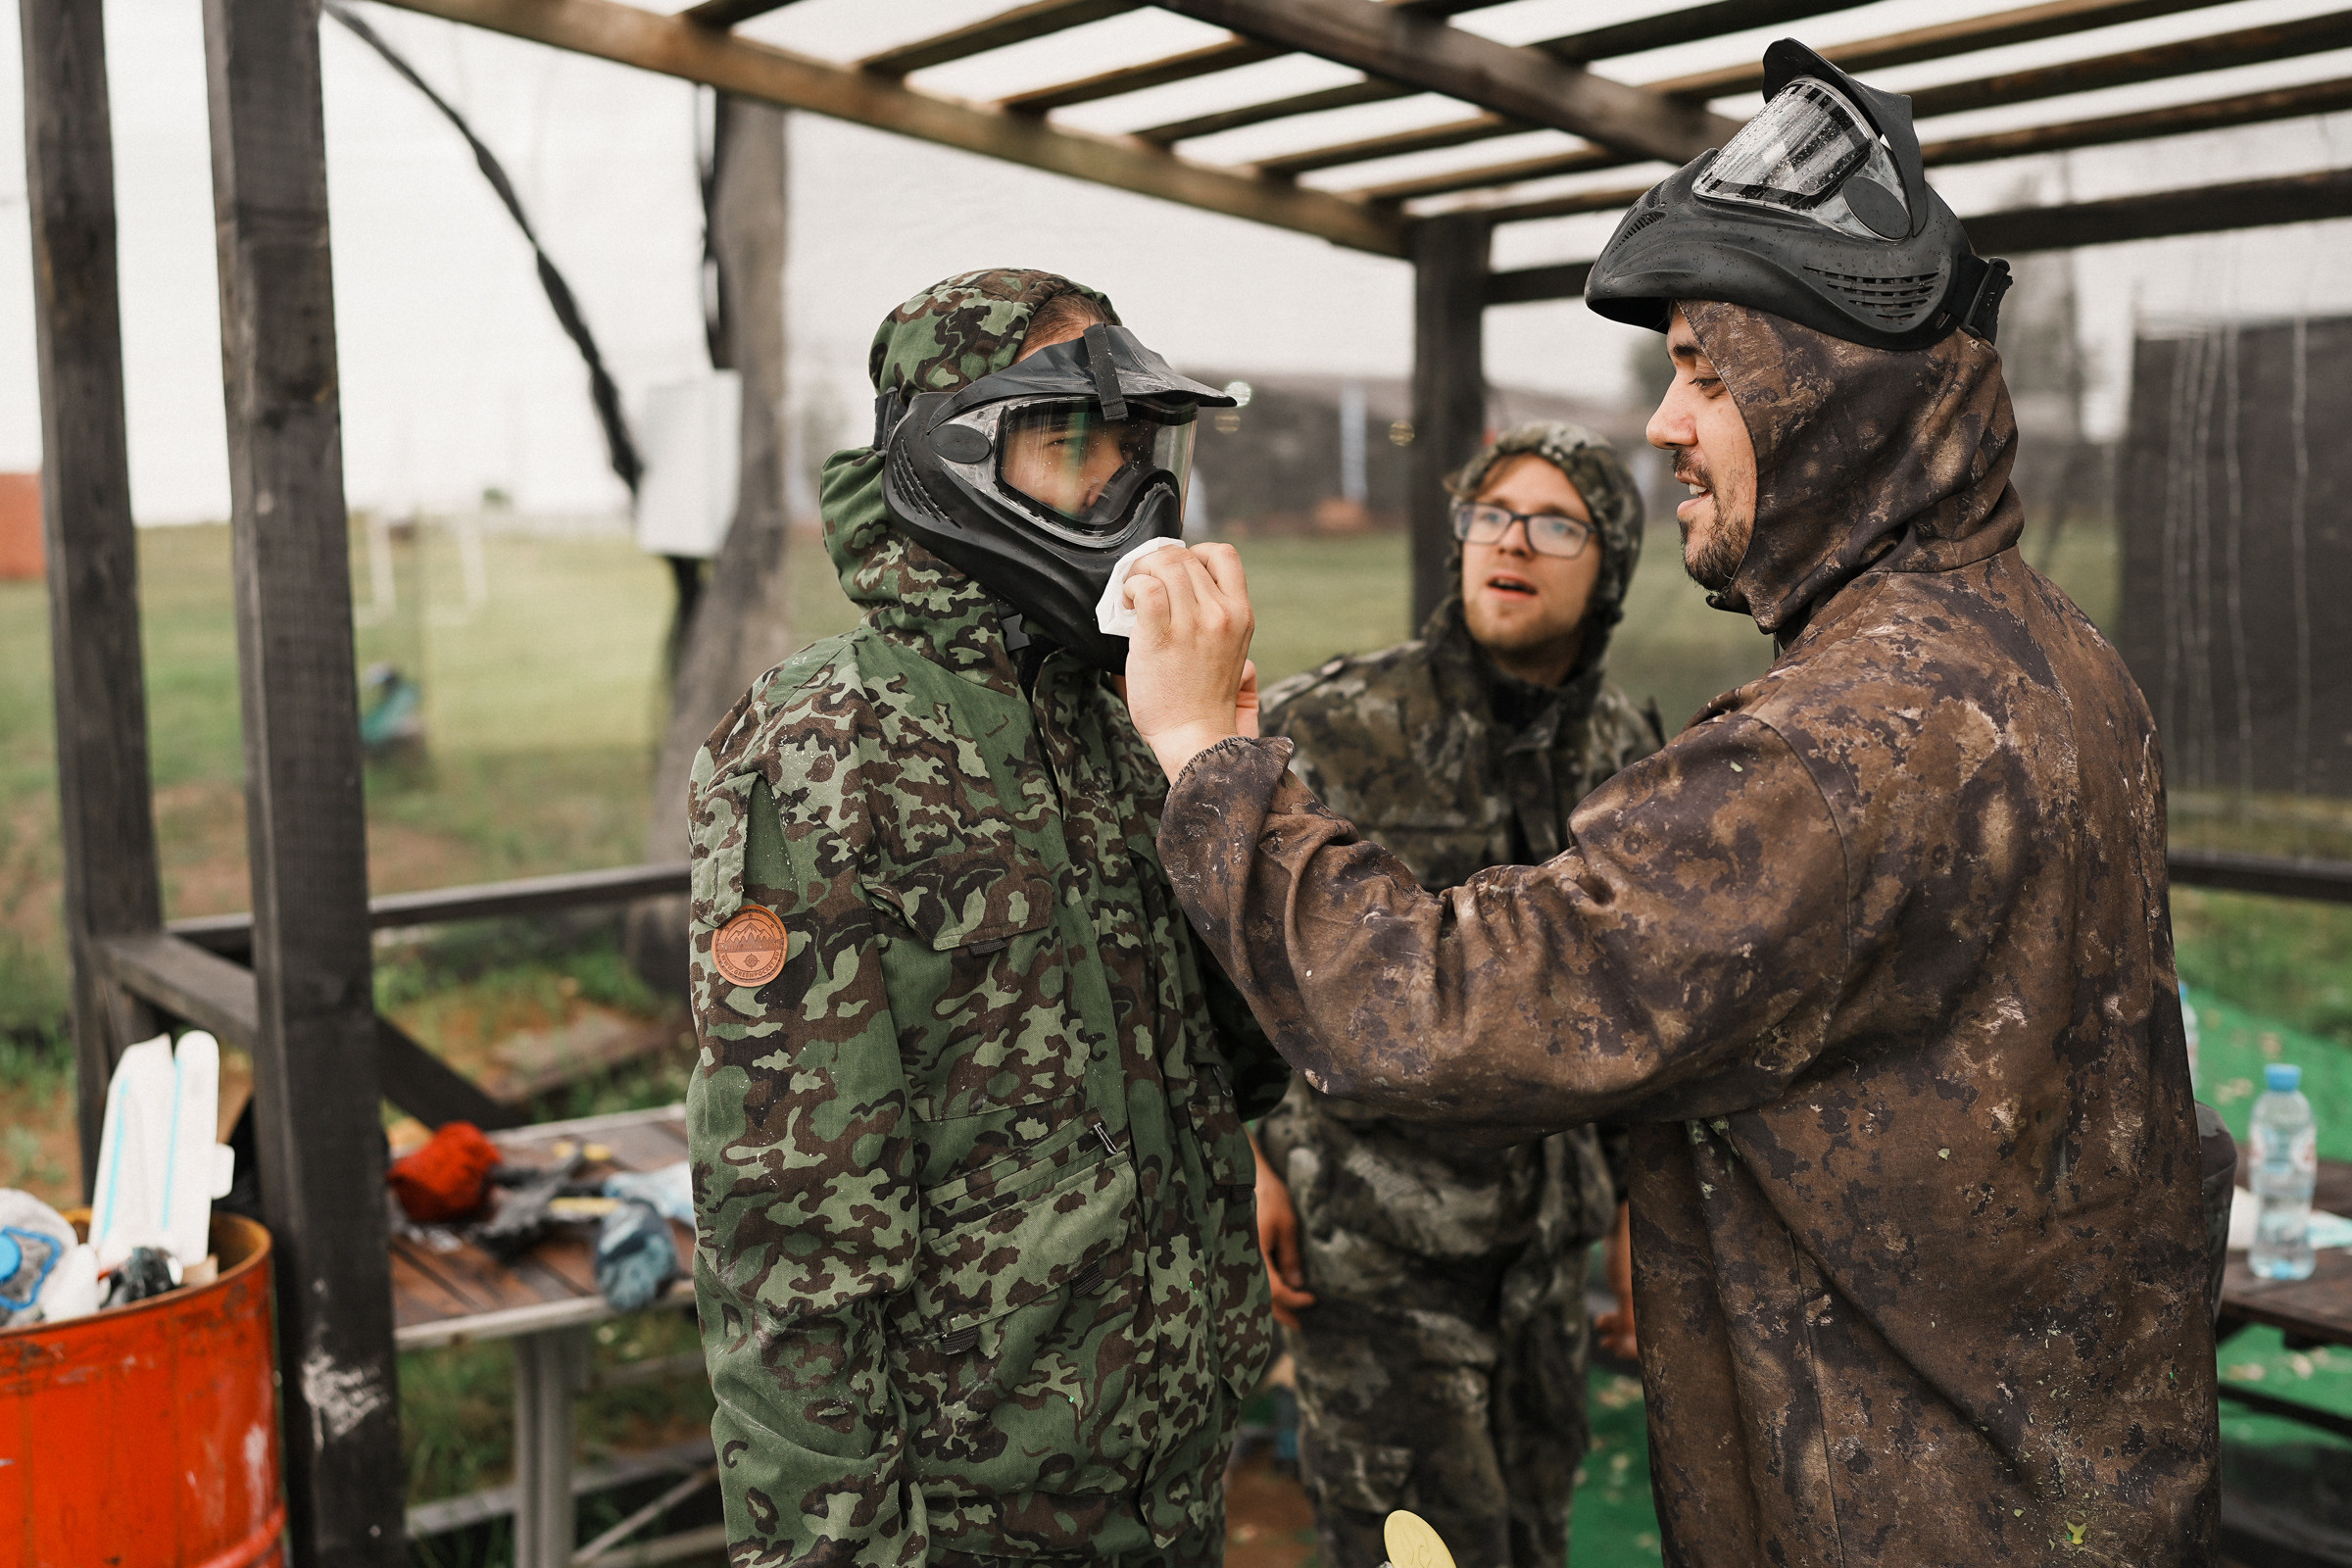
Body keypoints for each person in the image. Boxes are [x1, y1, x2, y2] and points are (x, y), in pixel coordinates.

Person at [1118, 42, 2219, 1566]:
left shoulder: (1839, 748)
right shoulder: (2060, 658)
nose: (1663, 423)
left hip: (1898, 1512)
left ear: (1825, 393)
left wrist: (1205, 759)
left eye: (1704, 372)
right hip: (2079, 1483)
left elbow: (1433, 1009)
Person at [686, 270, 1288, 1567]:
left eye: (1135, 446)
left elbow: (1243, 1071)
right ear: (955, 461)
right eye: (1070, 443)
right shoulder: (822, 747)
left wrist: (1227, 783)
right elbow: (790, 1253)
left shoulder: (1135, 718)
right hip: (971, 1511)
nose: (1130, 495)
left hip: (1174, 1469)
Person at [1248, 422, 1654, 1568]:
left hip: (1541, 1260)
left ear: (1609, 563)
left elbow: (1637, 1004)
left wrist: (1630, 1203)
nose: (1511, 542)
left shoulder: (1629, 751)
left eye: (1555, 522)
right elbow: (1221, 948)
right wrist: (1257, 1150)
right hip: (1376, 1246)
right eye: (1490, 514)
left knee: (1531, 1539)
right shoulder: (1333, 725)